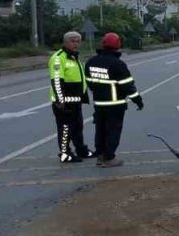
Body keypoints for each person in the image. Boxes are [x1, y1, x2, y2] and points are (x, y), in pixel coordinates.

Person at [83, 32, 143, 167]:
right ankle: (109, 158)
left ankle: (100, 156)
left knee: (100, 130)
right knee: (113, 131)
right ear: (118, 45)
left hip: (99, 104)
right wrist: (138, 101)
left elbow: (89, 82)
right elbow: (128, 86)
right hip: (115, 105)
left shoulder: (91, 62)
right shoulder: (118, 64)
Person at [49, 31, 94, 163]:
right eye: (72, 41)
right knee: (65, 128)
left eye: (78, 41)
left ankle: (81, 150)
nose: (76, 44)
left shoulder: (74, 57)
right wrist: (60, 100)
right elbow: (57, 80)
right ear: (65, 42)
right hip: (63, 102)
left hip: (75, 100)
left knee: (77, 126)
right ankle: (65, 153)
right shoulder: (58, 58)